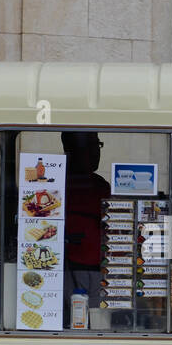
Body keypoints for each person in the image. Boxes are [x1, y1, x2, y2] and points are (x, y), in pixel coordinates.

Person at [62, 131, 111, 325]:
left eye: (97, 146)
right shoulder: (58, 183)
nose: (95, 153)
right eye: (89, 147)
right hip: (69, 270)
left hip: (101, 269)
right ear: (70, 151)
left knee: (99, 323)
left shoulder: (100, 185)